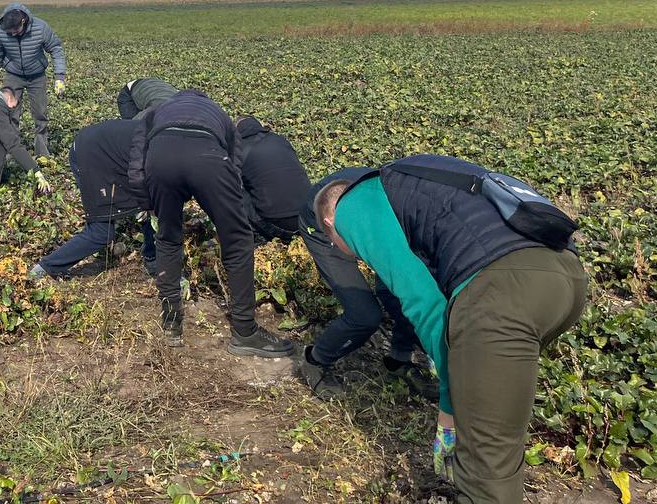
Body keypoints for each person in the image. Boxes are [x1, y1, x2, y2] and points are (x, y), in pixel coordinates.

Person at [312, 159, 588, 504]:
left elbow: (423, 303)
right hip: (565, 280)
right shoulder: (409, 182)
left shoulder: (351, 207)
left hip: (503, 292)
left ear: (329, 223)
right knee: (497, 434)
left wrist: (449, 403)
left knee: (485, 472)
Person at [240, 123, 433, 400]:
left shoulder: (428, 218)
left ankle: (399, 361)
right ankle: (315, 360)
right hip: (322, 219)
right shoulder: (380, 217)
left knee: (400, 296)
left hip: (372, 218)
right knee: (364, 314)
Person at [127, 90, 293, 359]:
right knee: (238, 240)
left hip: (161, 157)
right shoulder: (219, 113)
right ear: (202, 100)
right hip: (208, 158)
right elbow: (234, 162)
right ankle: (245, 332)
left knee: (168, 237)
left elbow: (136, 164)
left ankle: (171, 323)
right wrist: (222, 201)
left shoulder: (157, 112)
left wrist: (148, 203)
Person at [30, 119, 156, 281]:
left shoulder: (171, 141)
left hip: (113, 152)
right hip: (94, 153)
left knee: (149, 207)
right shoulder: (168, 152)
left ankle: (153, 258)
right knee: (101, 232)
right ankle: (42, 270)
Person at [0, 3, 65, 158]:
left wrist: (59, 77)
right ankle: (10, 151)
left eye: (15, 31)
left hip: (37, 76)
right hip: (13, 75)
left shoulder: (40, 27)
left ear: (23, 21)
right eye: (9, 32)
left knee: (40, 114)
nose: (13, 34)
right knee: (10, 114)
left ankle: (42, 152)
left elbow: (56, 49)